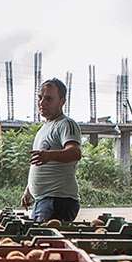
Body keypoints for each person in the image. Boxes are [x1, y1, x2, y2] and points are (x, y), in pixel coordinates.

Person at [21, 78, 82, 222]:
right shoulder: (44, 128)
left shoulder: (66, 124)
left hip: (58, 200)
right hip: (43, 200)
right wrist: (29, 190)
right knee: (39, 241)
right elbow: (38, 162)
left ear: (62, 101)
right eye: (40, 98)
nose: (42, 103)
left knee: (46, 242)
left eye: (48, 99)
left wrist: (49, 156)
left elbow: (75, 152)